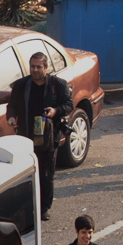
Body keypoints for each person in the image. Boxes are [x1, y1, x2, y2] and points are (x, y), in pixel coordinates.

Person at [8, 50, 73, 220]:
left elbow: (68, 105)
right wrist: (11, 117)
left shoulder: (57, 85)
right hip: (26, 135)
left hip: (48, 136)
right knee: (26, 172)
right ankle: (27, 205)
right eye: (32, 66)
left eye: (38, 67)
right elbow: (12, 106)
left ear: (46, 67)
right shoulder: (21, 85)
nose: (35, 70)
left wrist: (55, 111)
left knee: (46, 172)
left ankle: (43, 208)